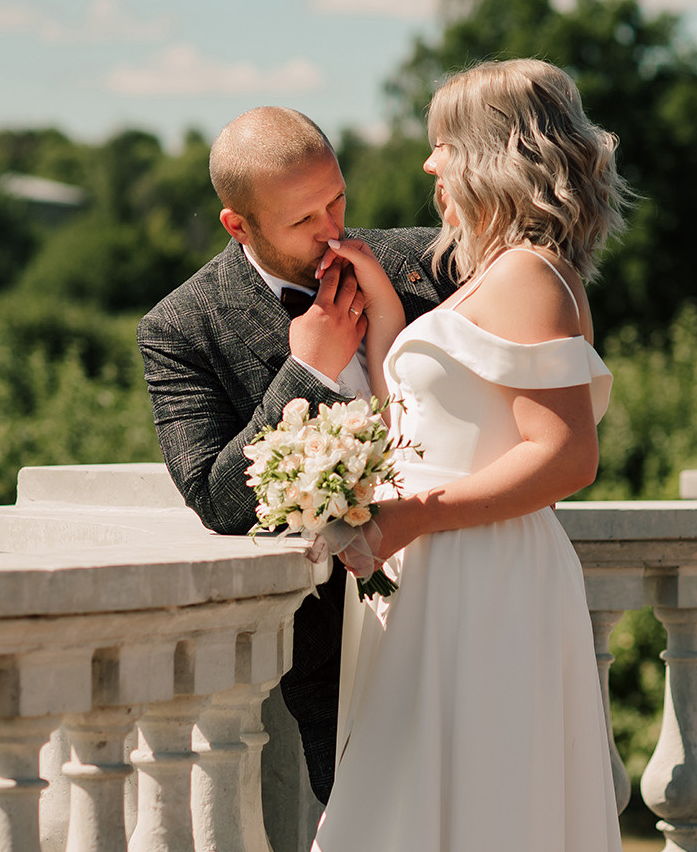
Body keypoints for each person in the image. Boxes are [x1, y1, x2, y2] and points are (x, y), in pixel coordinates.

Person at [291, 59, 651, 852]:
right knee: (416, 819)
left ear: (493, 157)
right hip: (450, 578)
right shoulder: (498, 277)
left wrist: (411, 518)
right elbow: (453, 408)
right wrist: (381, 314)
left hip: (482, 580)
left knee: (467, 823)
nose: (426, 163)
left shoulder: (532, 274)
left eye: (442, 144)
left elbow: (563, 455)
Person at [137, 106, 457, 806]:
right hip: (336, 658)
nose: (332, 229)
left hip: (471, 611)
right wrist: (304, 373)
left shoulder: (433, 262)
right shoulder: (182, 328)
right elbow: (220, 504)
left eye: (336, 198)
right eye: (302, 219)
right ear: (238, 224)